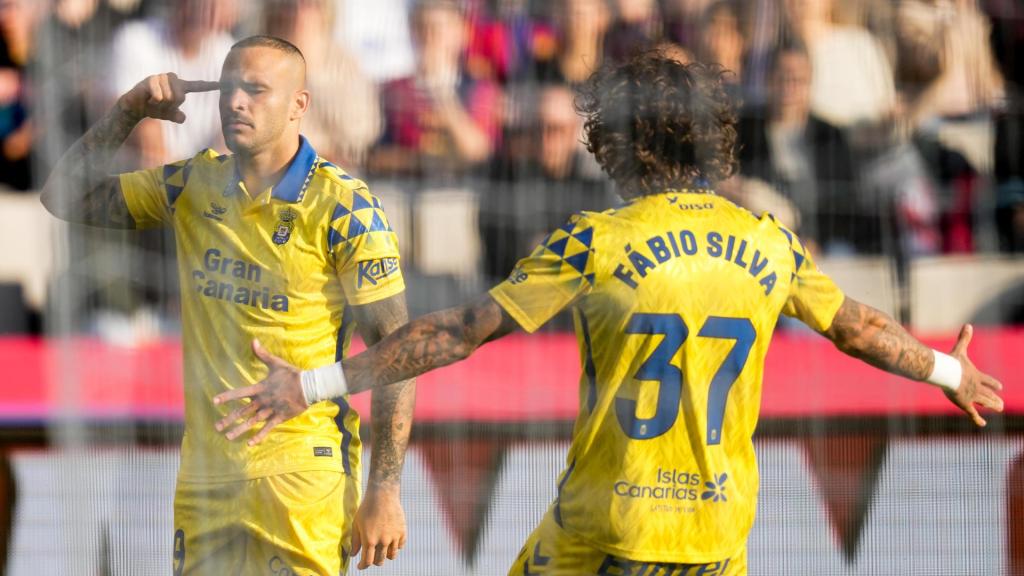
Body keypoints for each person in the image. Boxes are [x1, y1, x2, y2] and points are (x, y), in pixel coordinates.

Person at [214, 51, 1004, 574]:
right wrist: (948, 369)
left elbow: (454, 334)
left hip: (603, 535)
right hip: (717, 541)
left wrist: (311, 385)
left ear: (615, 145)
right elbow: (858, 328)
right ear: (712, 145)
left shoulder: (597, 242)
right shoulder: (769, 243)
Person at [40, 35, 414, 574]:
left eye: (256, 90)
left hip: (302, 475)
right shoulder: (194, 183)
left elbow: (396, 351)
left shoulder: (346, 208)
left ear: (298, 105)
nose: (236, 101)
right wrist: (128, 111)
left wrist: (385, 488)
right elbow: (63, 197)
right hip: (206, 477)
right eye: (229, 87)